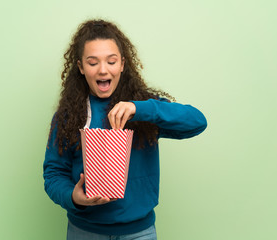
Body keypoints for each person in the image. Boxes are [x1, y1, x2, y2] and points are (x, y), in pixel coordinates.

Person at [43, 19, 207, 240]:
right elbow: (53, 173)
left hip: (139, 232)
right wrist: (73, 197)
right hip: (85, 231)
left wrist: (141, 109)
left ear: (122, 63)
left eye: (111, 61)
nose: (103, 70)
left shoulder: (144, 108)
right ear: (81, 67)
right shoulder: (68, 116)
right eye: (93, 63)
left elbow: (197, 121)